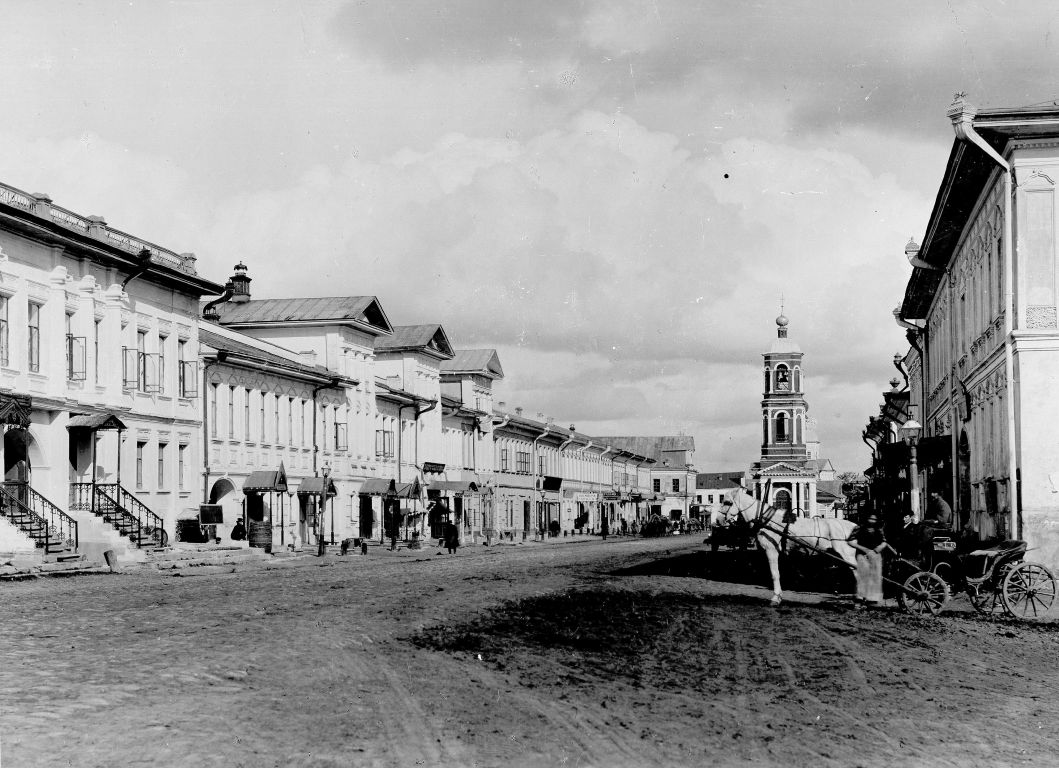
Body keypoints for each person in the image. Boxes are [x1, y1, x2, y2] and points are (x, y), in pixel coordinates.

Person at [847, 513, 887, 608]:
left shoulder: (879, 529)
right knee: (862, 576)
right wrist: (863, 549)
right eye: (870, 518)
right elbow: (850, 541)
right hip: (862, 555)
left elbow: (884, 541)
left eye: (874, 519)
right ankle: (859, 599)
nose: (872, 521)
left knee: (875, 576)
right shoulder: (859, 528)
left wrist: (879, 548)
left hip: (876, 555)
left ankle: (872, 600)